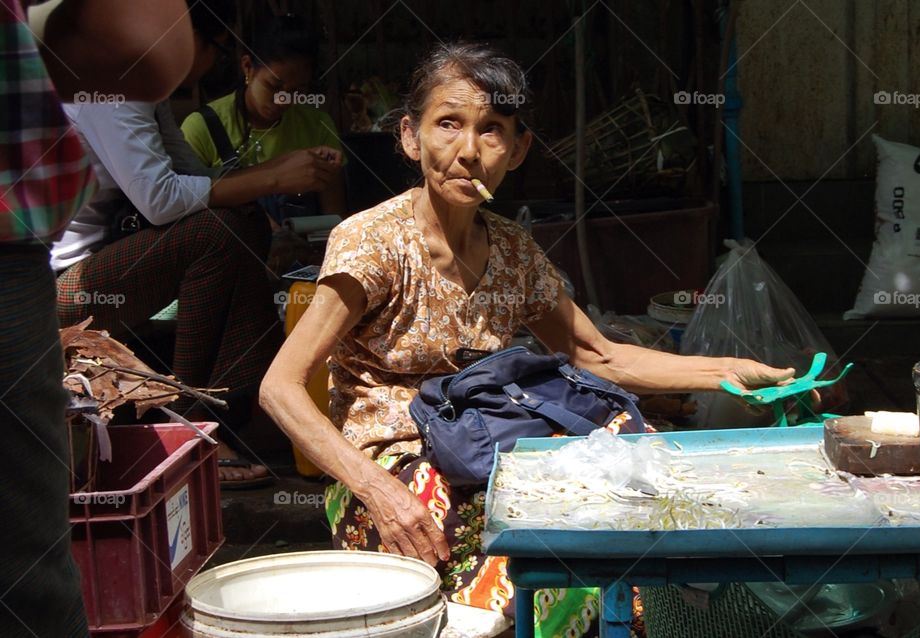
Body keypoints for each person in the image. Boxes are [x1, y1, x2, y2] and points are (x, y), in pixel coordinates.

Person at [259, 42, 796, 636]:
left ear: (517, 151)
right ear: (411, 138)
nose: (468, 152)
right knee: (503, 558)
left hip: (491, 444)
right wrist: (376, 490)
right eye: (448, 125)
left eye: (492, 131)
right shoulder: (373, 243)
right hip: (395, 465)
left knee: (626, 490)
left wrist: (735, 371)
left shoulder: (512, 249)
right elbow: (280, 387)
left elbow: (598, 354)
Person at [51, 0, 338, 488]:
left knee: (238, 220)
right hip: (61, 290)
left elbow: (194, 179)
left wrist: (268, 177)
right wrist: (270, 177)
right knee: (215, 231)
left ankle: (248, 403)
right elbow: (160, 200)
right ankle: (187, 421)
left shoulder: (144, 91)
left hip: (106, 267)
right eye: (218, 49)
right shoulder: (111, 90)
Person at [1, 1, 193, 635]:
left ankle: (206, 410)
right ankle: (205, 410)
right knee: (25, 575)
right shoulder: (113, 96)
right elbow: (143, 44)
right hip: (38, 273)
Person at [181, 13, 346, 221]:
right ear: (248, 67)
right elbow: (183, 208)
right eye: (273, 86)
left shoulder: (318, 126)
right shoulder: (202, 127)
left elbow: (334, 219)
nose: (284, 99)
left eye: (297, 90)